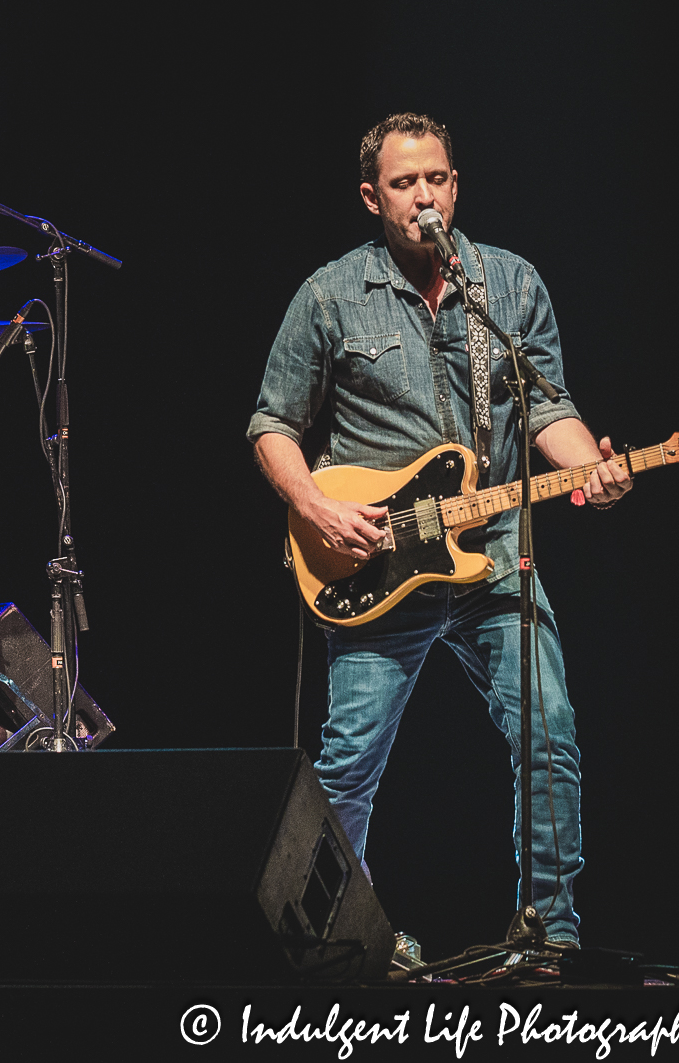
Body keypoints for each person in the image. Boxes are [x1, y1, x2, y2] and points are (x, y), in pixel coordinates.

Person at [247, 113, 631, 950]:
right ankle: (345, 942)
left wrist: (590, 470)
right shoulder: (330, 294)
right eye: (403, 183)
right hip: (379, 563)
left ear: (455, 184)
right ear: (371, 197)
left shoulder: (510, 285)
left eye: (437, 179)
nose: (424, 196)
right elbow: (272, 424)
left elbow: (550, 407)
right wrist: (317, 507)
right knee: (346, 768)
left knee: (550, 729)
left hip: (491, 552)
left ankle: (551, 936)